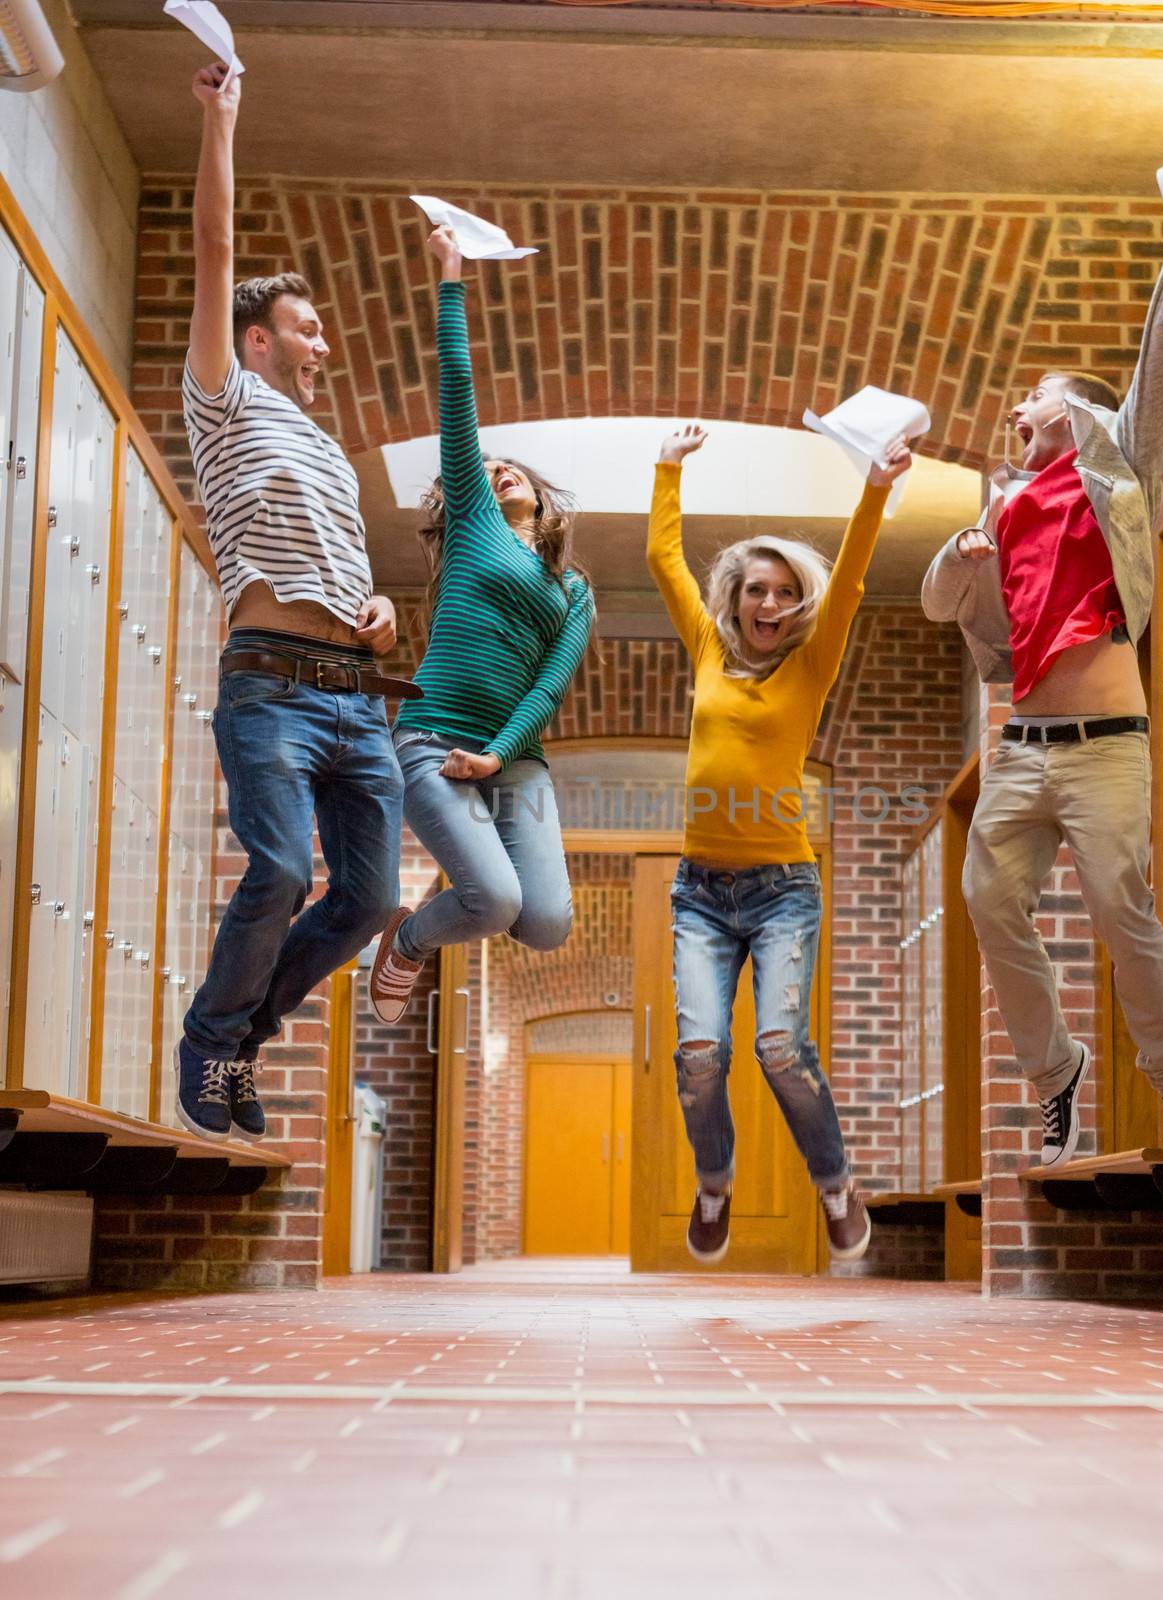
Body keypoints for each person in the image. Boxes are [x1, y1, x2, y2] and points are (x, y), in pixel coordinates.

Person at [922, 196, 1163, 1175]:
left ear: (1079, 410)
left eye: (1030, 399)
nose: (1014, 414)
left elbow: (1159, 369)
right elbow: (937, 606)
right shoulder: (1003, 506)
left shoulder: (1118, 472)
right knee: (986, 897)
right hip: (1021, 749)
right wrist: (961, 556)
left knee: (1117, 902)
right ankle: (1055, 1075)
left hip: (1105, 748)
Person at [176, 61, 412, 1141]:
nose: (324, 345)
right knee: (277, 865)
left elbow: (343, 563)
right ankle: (210, 1040)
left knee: (365, 899)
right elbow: (216, 251)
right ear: (258, 341)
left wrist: (378, 608)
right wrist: (223, 118)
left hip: (355, 696)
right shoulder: (226, 404)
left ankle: (242, 1032)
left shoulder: (323, 446)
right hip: (269, 688)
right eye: (306, 330)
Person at [649, 422, 911, 1264]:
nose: (769, 605)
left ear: (799, 606)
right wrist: (665, 470)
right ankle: (714, 1185)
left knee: (778, 1048)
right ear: (736, 599)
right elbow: (664, 562)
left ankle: (834, 1185)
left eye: (784, 594)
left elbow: (854, 576)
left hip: (782, 889)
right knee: (698, 1054)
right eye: (756, 590)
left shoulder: (812, 664)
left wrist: (874, 485)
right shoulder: (705, 651)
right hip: (699, 891)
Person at [367, 223, 594, 1023]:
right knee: (494, 902)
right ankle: (408, 941)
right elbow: (457, 393)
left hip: (514, 760)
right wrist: (452, 279)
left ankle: (450, 898)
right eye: (488, 468)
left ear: (540, 493)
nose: (498, 470)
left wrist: (497, 756)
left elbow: (550, 682)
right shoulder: (474, 525)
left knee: (547, 923)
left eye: (513, 468)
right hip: (432, 739)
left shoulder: (574, 587)